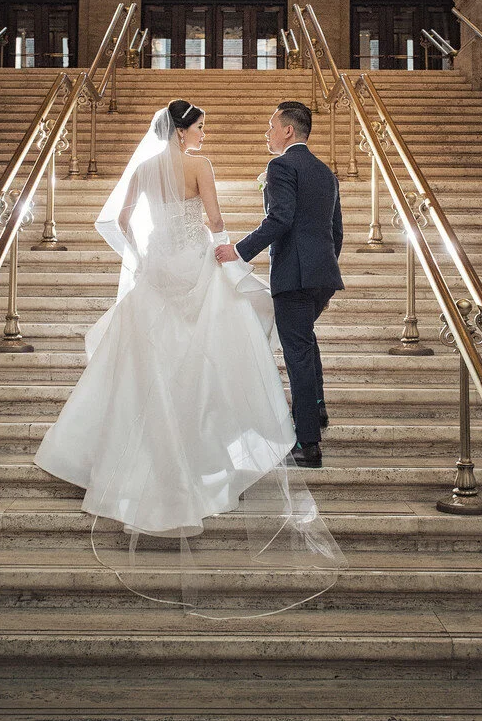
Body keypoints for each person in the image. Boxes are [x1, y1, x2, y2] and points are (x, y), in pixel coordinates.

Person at [34, 99, 343, 615]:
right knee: (226, 347)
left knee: (149, 359)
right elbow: (220, 222)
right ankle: (285, 428)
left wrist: (142, 256)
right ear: (183, 132)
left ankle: (295, 424)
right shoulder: (210, 167)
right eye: (200, 126)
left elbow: (120, 220)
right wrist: (228, 255)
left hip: (157, 268)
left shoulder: (146, 167)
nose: (204, 134)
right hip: (228, 266)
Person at [215, 101, 343, 469]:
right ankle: (316, 411)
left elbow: (280, 219)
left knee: (297, 353)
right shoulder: (325, 172)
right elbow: (336, 231)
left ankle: (308, 443)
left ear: (287, 130)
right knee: (306, 342)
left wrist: (237, 251)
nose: (266, 132)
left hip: (295, 275)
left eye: (271, 125)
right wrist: (325, 276)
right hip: (321, 276)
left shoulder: (281, 165)